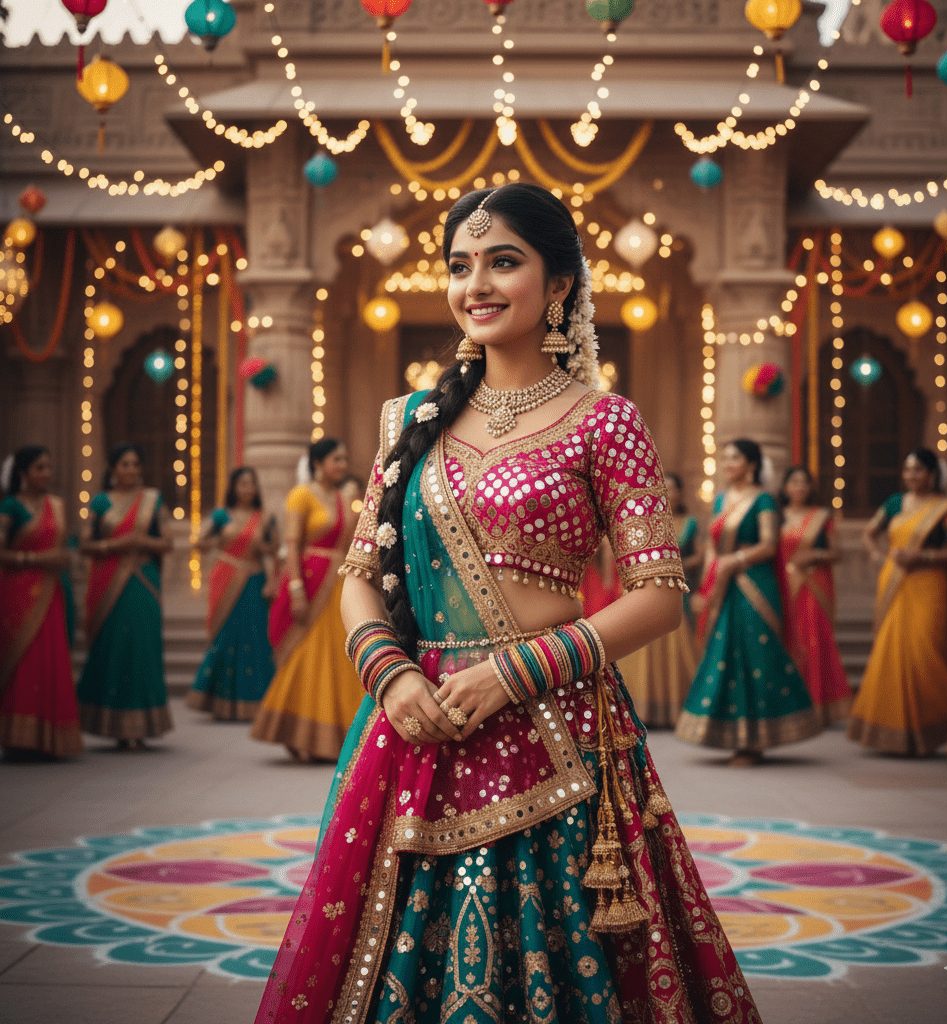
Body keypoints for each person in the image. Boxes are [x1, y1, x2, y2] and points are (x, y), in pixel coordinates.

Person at [252, 184, 761, 1024]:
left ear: (559, 284)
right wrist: (391, 677)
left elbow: (658, 597)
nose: (475, 284)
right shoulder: (408, 421)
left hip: (557, 726)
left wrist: (515, 671)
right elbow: (359, 579)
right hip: (420, 724)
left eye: (503, 262)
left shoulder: (605, 421)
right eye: (459, 266)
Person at [675, 439, 820, 764]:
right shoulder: (722, 500)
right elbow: (713, 548)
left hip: (755, 585)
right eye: (724, 458)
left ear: (752, 464)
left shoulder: (765, 501)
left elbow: (769, 545)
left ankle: (753, 741)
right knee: (725, 652)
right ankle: (730, 733)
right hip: (725, 584)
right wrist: (707, 586)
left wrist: (735, 560)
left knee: (754, 654)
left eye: (735, 458)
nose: (727, 464)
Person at [250, 439, 363, 761]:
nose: (342, 465)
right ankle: (295, 734)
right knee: (305, 655)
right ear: (318, 462)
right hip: (310, 584)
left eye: (344, 459)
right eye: (336, 459)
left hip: (338, 584)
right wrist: (296, 589)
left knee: (338, 657)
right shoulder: (301, 495)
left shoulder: (345, 496)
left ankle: (333, 737)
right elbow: (292, 545)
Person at [848, 447, 947, 756]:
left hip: (929, 585)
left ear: (932, 474)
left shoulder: (945, 509)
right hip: (895, 581)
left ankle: (935, 728)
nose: (911, 476)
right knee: (891, 651)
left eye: (918, 470)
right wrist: (878, 556)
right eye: (907, 470)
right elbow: (869, 532)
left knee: (925, 654)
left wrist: (922, 556)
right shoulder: (895, 503)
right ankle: (895, 732)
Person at [77, 443, 173, 748]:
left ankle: (143, 726)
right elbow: (85, 544)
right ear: (113, 468)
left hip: (142, 581)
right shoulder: (101, 503)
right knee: (113, 648)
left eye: (135, 464)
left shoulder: (153, 500)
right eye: (124, 464)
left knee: (143, 648)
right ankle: (113, 725)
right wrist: (115, 546)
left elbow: (167, 543)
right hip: (109, 584)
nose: (131, 470)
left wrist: (140, 540)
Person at [0, 446, 82, 758]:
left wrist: (61, 558)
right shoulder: (11, 507)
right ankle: (18, 739)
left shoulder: (57, 506)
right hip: (18, 592)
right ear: (23, 474)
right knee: (24, 660)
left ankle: (50, 739)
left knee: (51, 658)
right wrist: (36, 558)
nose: (47, 473)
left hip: (52, 591)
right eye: (39, 468)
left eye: (48, 467)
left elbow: (67, 544)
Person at [187, 467, 277, 721]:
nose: (247, 489)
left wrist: (272, 580)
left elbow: (274, 550)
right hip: (225, 579)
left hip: (254, 580)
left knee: (255, 637)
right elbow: (199, 543)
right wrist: (217, 542)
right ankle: (219, 702)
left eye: (251, 484)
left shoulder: (265, 518)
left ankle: (255, 703)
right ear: (233, 488)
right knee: (225, 637)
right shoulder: (221, 516)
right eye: (242, 484)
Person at [617, 471, 702, 727]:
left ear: (680, 493)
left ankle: (674, 711)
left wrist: (674, 564)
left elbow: (700, 555)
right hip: (646, 589)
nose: (667, 493)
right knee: (643, 650)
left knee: (676, 647)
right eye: (662, 488)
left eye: (672, 488)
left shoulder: (690, 523)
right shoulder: (645, 520)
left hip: (676, 587)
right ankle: (643, 712)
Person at [777, 466, 852, 725]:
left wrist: (814, 555)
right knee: (786, 642)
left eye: (803, 483)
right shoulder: (776, 516)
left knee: (813, 641)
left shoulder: (821, 517)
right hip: (783, 586)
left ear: (810, 488)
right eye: (793, 482)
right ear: (785, 487)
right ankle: (789, 705)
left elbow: (836, 553)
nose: (799, 487)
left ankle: (818, 706)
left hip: (812, 584)